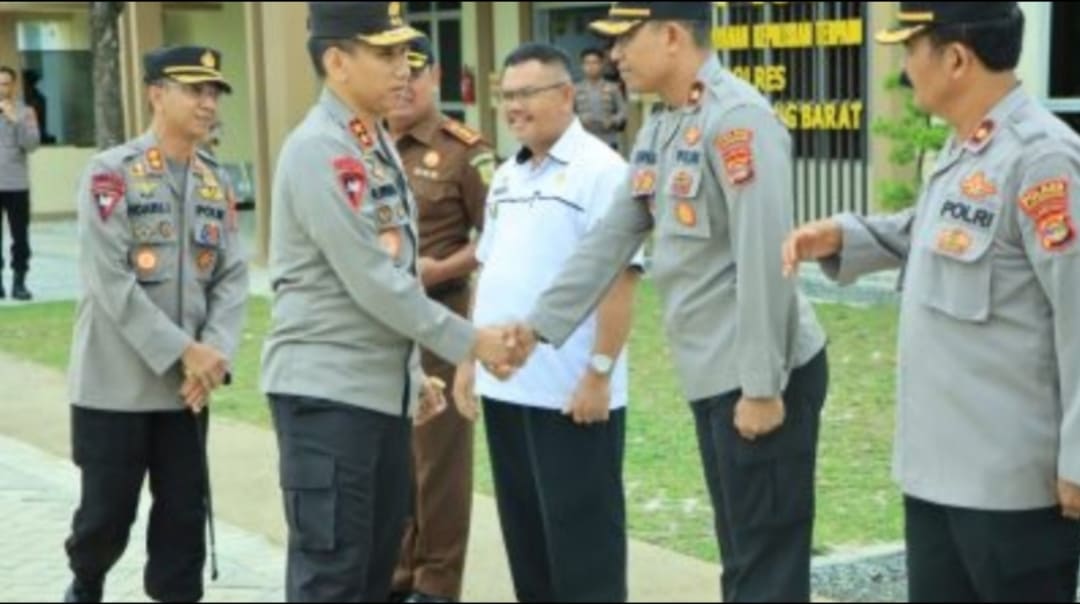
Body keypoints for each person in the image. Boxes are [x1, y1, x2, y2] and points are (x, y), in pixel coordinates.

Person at [507, 3, 830, 601]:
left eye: (627, 38)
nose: (615, 53)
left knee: (766, 562)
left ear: (674, 36)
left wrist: (762, 387)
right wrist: (539, 326)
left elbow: (767, 260)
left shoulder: (737, 122)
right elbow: (615, 233)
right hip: (714, 370)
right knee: (741, 551)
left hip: (758, 368)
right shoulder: (664, 125)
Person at [783, 3, 1080, 601]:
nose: (902, 65)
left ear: (955, 58)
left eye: (910, 47)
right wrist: (846, 235)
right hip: (938, 471)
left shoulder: (1043, 159)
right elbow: (932, 230)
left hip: (1011, 487)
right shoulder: (968, 148)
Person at [260, 3, 516, 601]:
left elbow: (393, 265)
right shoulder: (320, 149)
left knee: (376, 577)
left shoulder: (369, 142)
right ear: (336, 61)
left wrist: (410, 376)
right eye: (386, 54)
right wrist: (471, 341)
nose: (404, 67)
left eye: (406, 53)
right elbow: (373, 280)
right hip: (327, 399)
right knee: (334, 580)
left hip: (373, 397)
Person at [452, 42, 642, 603]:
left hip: (570, 394)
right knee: (529, 550)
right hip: (510, 389)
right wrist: (468, 357)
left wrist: (599, 374)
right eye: (506, 96)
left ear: (566, 96)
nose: (512, 108)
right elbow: (488, 270)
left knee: (584, 556)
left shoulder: (602, 172)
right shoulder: (508, 175)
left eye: (526, 95)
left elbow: (619, 279)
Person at [62, 45, 248, 604]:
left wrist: (212, 355)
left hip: (185, 394)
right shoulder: (110, 174)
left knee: (184, 521)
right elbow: (110, 281)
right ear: (155, 93)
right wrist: (184, 352)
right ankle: (85, 584)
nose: (207, 102)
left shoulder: (216, 180)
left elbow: (233, 278)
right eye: (194, 89)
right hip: (114, 388)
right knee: (105, 518)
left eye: (214, 91)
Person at [386, 35, 496, 604]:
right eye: (393, 71)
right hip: (381, 328)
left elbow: (499, 238)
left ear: (435, 80)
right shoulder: (366, 146)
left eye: (415, 73)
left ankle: (435, 583)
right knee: (390, 457)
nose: (402, 83)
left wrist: (437, 268)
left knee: (439, 464)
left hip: (440, 319)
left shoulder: (466, 151)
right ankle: (396, 572)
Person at [0, 65, 41, 301]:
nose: (2, 88)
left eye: (6, 83)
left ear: (13, 86)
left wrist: (14, 120)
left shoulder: (26, 113)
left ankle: (19, 283)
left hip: (16, 185)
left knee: (20, 237)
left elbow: (32, 145)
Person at [574, 48, 627, 152]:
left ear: (602, 65)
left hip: (608, 139)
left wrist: (612, 121)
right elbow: (568, 114)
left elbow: (623, 112)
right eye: (587, 63)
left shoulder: (613, 88)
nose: (591, 67)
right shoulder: (575, 89)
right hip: (583, 139)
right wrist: (580, 119)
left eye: (595, 63)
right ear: (582, 66)